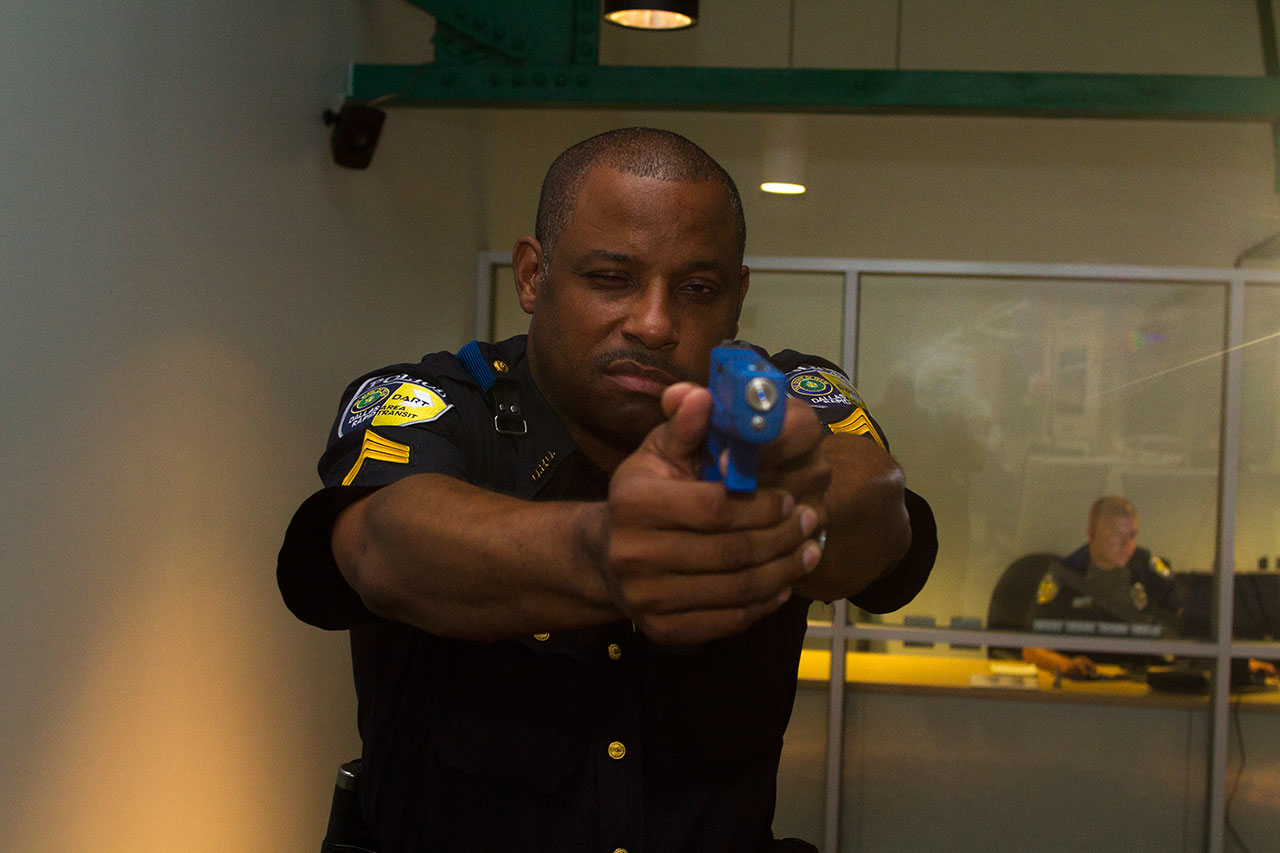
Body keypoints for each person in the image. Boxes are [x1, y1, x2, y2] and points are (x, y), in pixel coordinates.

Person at [278, 127, 938, 853]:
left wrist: (783, 509)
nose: (655, 324)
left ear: (737, 297)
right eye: (611, 278)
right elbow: (378, 543)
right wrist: (603, 552)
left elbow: (881, 503)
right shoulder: (435, 399)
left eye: (697, 289)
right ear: (532, 276)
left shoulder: (767, 399)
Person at [1022, 496, 1180, 678]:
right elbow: (1031, 649)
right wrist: (1067, 665)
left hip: (1144, 684)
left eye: (1132, 535)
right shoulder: (1066, 575)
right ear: (1092, 535)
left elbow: (1184, 625)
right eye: (1116, 535)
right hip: (1084, 686)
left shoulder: (1148, 569)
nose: (1127, 545)